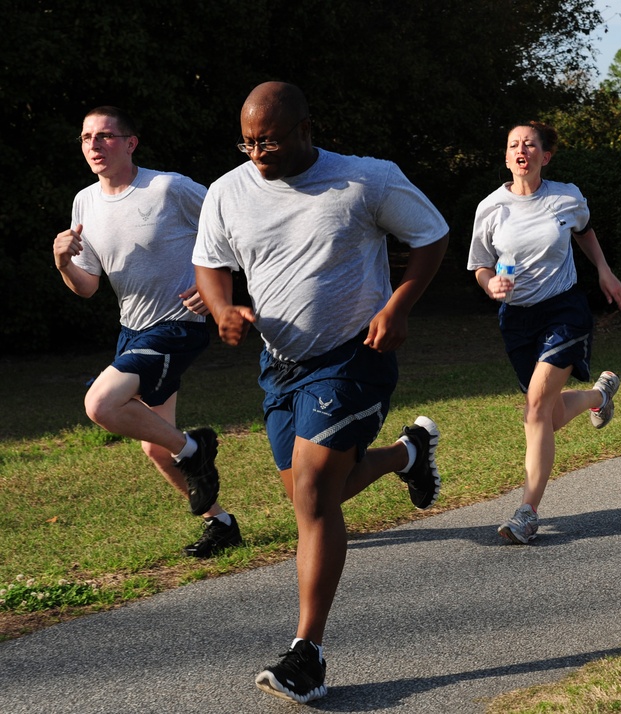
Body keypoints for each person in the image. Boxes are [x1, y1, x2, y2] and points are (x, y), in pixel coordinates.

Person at [193, 81, 449, 704]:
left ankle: (306, 653)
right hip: (281, 365)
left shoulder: (366, 179)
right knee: (308, 496)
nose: (258, 153)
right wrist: (223, 307)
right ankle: (408, 454)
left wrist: (398, 306)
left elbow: (432, 236)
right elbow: (210, 262)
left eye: (271, 140)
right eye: (249, 141)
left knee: (313, 491)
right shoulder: (229, 191)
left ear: (308, 128)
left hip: (355, 354)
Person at [52, 106, 240, 558]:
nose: (94, 146)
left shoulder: (168, 188)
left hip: (179, 324)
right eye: (86, 138)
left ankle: (196, 449)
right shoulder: (85, 202)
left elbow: (235, 229)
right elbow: (87, 287)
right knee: (156, 448)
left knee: (100, 402)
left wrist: (213, 284)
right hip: (132, 329)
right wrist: (61, 262)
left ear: (131, 142)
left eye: (105, 137)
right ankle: (223, 524)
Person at [467, 121, 621, 545]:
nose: (522, 150)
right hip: (517, 319)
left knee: (536, 407)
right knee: (548, 416)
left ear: (545, 156)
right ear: (506, 156)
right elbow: (481, 264)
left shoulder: (566, 196)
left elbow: (585, 231)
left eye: (530, 145)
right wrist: (489, 285)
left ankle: (527, 511)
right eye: (514, 145)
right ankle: (599, 396)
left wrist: (605, 273)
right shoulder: (490, 208)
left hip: (564, 310)